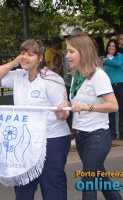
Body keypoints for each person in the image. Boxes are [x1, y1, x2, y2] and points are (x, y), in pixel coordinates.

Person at [0, 39, 71, 200]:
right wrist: (14, 62)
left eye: (30, 54)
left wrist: (63, 112)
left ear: (40, 58)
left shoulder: (52, 79)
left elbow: (62, 114)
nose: (25, 57)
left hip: (52, 139)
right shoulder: (19, 75)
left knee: (52, 185)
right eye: (23, 53)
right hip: (25, 140)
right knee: (23, 186)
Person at [56, 34, 122, 200]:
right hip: (80, 135)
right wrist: (66, 104)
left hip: (97, 136)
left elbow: (114, 105)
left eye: (71, 51)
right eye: (67, 51)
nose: (67, 55)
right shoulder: (75, 75)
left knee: (88, 183)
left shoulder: (98, 75)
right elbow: (76, 101)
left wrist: (87, 107)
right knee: (101, 179)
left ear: (83, 52)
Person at [102, 39, 123, 140]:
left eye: (113, 46)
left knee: (121, 109)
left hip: (120, 85)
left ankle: (122, 133)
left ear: (116, 48)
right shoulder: (104, 58)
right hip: (109, 87)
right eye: (109, 46)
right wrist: (105, 60)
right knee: (111, 110)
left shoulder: (119, 56)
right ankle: (112, 133)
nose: (111, 48)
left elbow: (117, 64)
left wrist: (106, 61)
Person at [63, 27, 83, 130]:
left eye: (82, 36)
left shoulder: (97, 74)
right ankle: (71, 130)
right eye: (78, 36)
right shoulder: (69, 50)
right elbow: (69, 68)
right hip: (70, 83)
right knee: (70, 107)